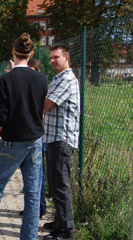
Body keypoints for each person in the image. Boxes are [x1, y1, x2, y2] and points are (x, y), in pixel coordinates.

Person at [0, 33, 48, 240]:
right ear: (31, 53)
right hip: (34, 140)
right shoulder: (42, 79)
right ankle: (29, 237)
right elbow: (40, 108)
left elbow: (1, 115)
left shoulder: (4, 80)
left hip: (11, 141)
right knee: (33, 194)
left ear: (12, 53)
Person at [42, 45, 80, 240]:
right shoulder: (58, 79)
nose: (52, 61)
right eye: (50, 58)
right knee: (55, 185)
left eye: (56, 57)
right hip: (53, 139)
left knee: (61, 186)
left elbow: (46, 105)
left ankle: (67, 232)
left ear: (66, 57)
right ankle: (60, 223)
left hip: (62, 140)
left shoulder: (66, 80)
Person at [19, 58, 47, 219]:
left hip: (39, 137)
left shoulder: (41, 85)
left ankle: (39, 208)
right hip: (34, 136)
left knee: (38, 176)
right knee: (31, 176)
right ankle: (34, 208)